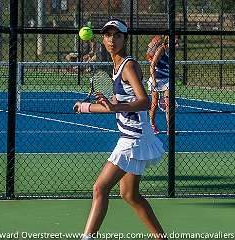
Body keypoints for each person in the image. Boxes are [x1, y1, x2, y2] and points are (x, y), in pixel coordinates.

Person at [73, 19, 167, 240]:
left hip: (134, 139)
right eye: (107, 35)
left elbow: (144, 101)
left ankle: (87, 238)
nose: (111, 40)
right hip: (131, 136)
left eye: (117, 35)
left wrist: (115, 105)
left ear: (125, 39)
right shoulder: (115, 68)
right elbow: (114, 107)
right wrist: (85, 107)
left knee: (99, 188)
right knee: (130, 195)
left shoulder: (129, 66)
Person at [147, 35, 171, 135]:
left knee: (168, 104)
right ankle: (152, 125)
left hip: (167, 80)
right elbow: (152, 64)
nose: (177, 41)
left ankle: (170, 128)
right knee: (154, 104)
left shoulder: (172, 50)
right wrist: (153, 80)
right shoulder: (161, 49)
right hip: (156, 79)